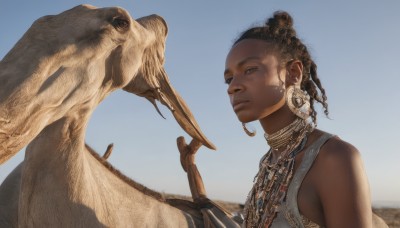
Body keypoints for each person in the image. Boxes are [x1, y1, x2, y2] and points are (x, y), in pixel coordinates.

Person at [223, 11, 373, 227]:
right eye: (228, 79)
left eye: (249, 69)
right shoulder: (269, 163)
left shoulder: (334, 158)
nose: (233, 87)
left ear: (293, 72)